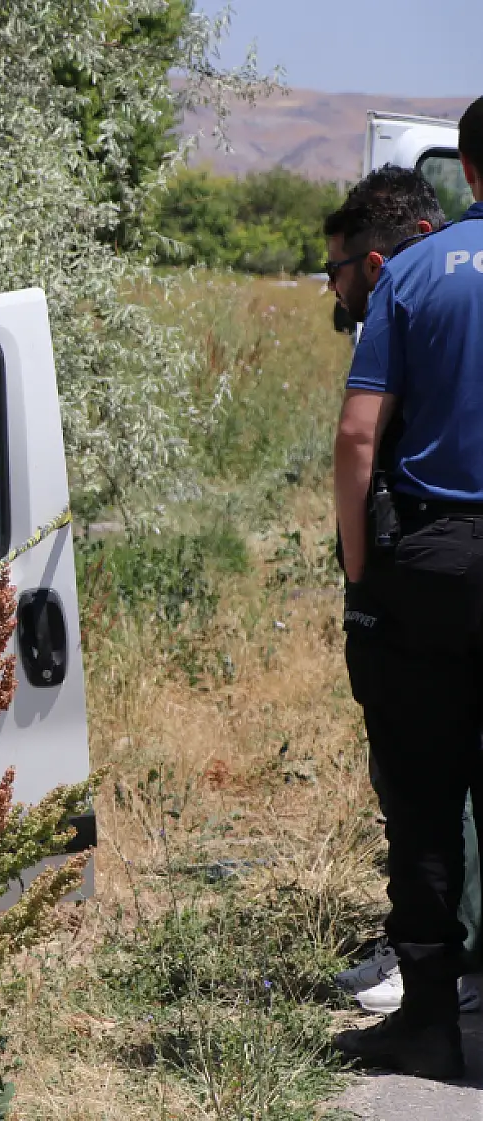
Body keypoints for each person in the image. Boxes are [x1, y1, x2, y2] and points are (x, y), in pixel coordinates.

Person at [331, 94, 483, 1079]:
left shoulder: (417, 271)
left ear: (466, 172)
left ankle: (426, 1015)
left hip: (431, 568)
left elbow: (355, 438)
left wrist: (359, 579)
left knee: (423, 797)